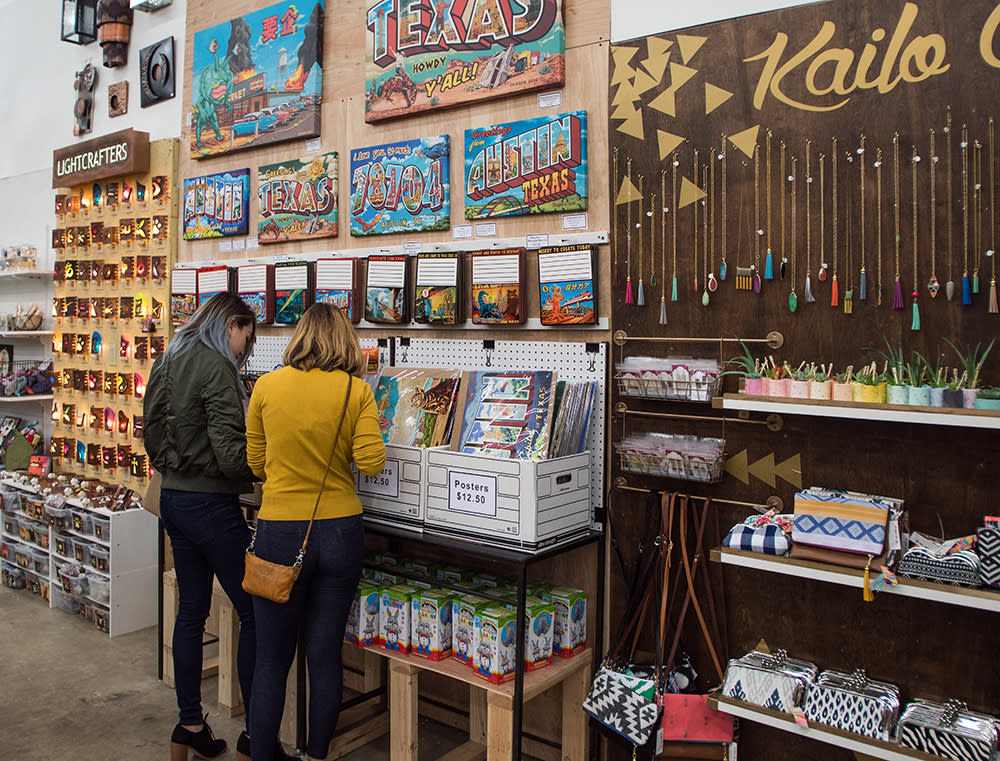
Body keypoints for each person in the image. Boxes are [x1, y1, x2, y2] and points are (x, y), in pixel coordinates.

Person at [246, 303, 386, 761]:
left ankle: (263, 754)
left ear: (300, 335)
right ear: (343, 339)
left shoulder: (266, 386)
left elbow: (254, 464)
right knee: (324, 657)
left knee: (271, 659)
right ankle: (316, 756)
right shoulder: (356, 390)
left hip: (279, 532)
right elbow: (372, 462)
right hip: (342, 532)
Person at [143, 292, 260, 761]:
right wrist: (266, 469)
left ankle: (189, 723)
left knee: (191, 611)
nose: (242, 350)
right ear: (229, 324)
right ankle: (258, 732)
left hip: (172, 498)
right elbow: (232, 454)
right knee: (252, 611)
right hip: (212, 505)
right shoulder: (216, 366)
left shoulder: (167, 359)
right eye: (244, 339)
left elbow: (150, 431)